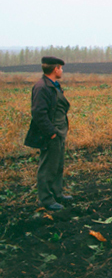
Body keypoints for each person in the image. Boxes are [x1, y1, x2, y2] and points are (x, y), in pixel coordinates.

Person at [24, 56, 72, 210]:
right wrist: (51, 132)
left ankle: (57, 194)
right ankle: (45, 199)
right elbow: (38, 113)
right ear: (55, 69)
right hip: (51, 132)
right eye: (60, 68)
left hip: (59, 132)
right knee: (47, 167)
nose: (62, 70)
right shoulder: (41, 87)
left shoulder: (53, 85)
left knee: (57, 165)